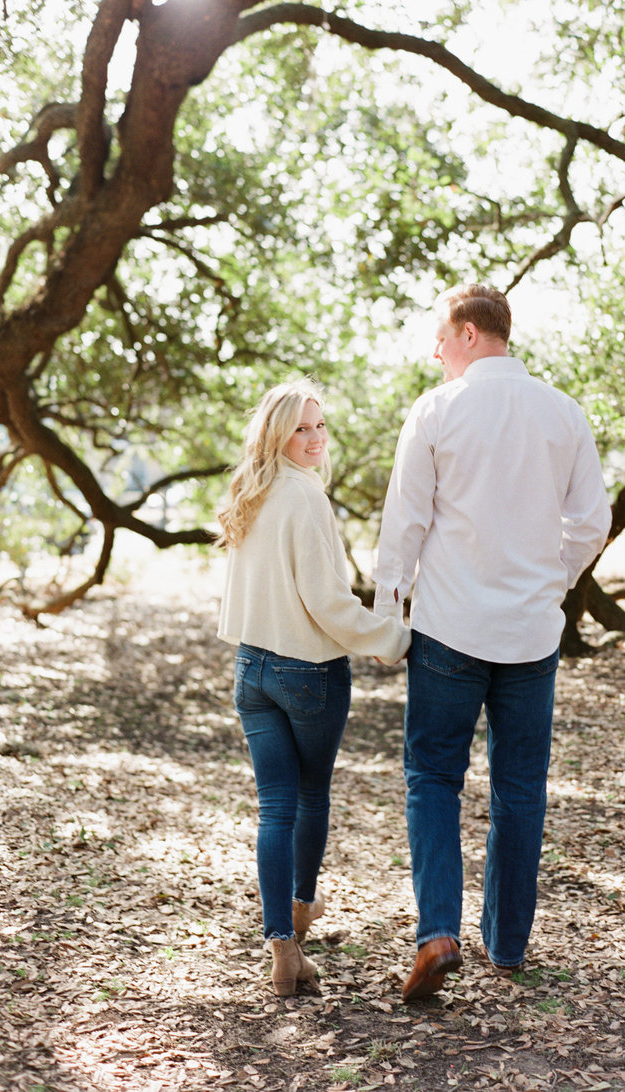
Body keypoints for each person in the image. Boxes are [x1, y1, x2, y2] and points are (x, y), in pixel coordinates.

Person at [373, 284, 611, 1002]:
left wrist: (390, 609)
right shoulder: (563, 414)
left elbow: (405, 523)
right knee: (519, 788)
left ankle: (439, 933)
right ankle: (507, 945)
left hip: (449, 629)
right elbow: (591, 523)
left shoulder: (438, 411)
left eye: (441, 336)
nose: (435, 350)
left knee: (433, 778)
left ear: (471, 333)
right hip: (532, 635)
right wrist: (553, 585)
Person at [216, 378, 411, 997]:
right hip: (306, 672)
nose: (315, 437)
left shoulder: (253, 490)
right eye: (301, 428)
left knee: (274, 808)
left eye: (320, 425)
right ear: (277, 434)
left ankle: (283, 948)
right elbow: (327, 601)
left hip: (252, 669)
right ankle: (297, 916)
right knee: (307, 799)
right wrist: (391, 638)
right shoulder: (303, 498)